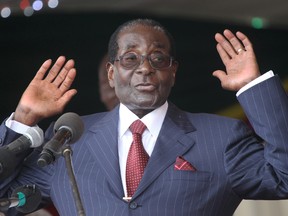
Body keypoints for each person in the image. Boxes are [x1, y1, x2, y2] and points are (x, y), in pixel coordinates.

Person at [0, 18, 288, 216]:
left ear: (172, 72)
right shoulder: (68, 140)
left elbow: (283, 178)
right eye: (130, 58)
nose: (145, 69)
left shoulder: (221, 137)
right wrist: (24, 117)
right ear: (112, 74)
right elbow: (7, 198)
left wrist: (253, 87)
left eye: (158, 58)